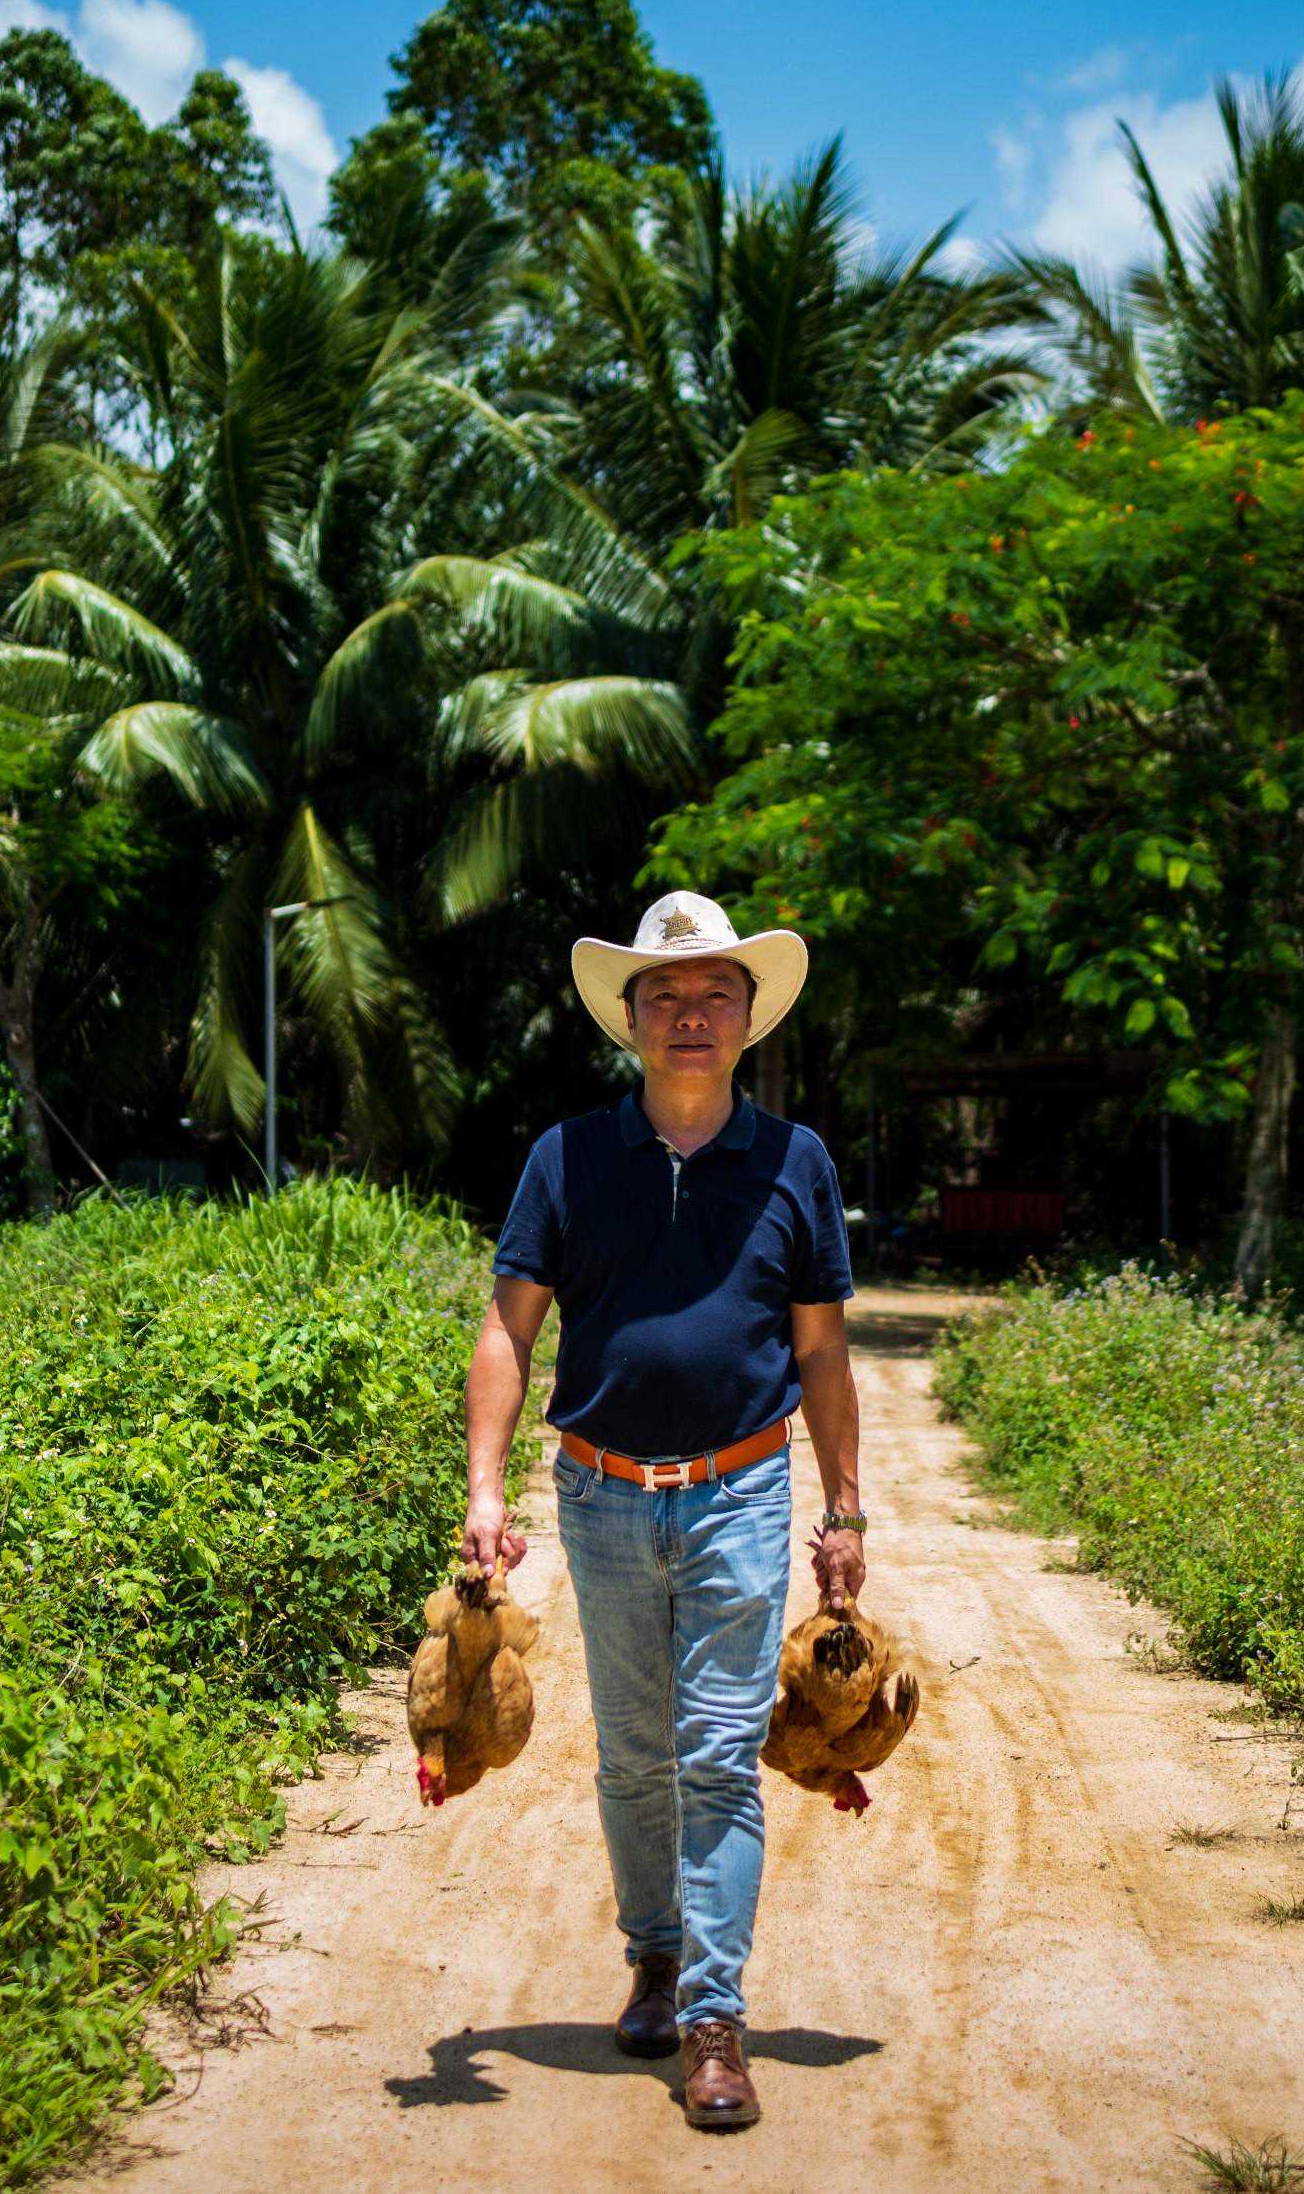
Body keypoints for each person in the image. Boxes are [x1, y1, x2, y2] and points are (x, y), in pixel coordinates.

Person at [461, 888, 863, 2135]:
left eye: (715, 994)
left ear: (748, 1017)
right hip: (600, 1494)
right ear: (629, 1018)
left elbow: (823, 1354)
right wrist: (484, 1485)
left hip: (743, 1488)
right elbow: (507, 1329)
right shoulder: (566, 1157)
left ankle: (712, 2014)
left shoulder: (794, 1160)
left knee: (714, 1754)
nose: (691, 1014)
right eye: (666, 996)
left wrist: (845, 1506)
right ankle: (650, 1950)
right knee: (635, 1753)